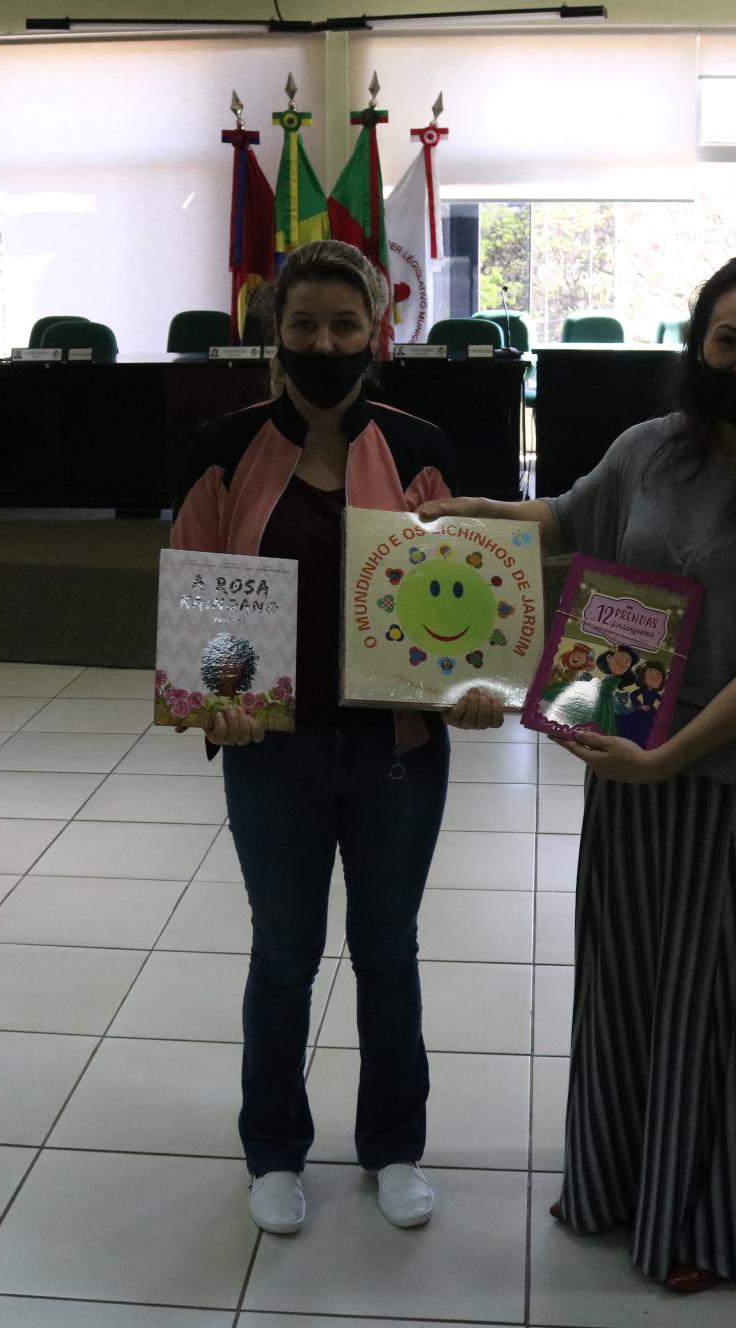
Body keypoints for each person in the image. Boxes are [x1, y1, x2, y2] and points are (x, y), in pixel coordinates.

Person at [419, 253, 736, 1291]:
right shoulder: (649, 447)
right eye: (728, 341)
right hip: (626, 742)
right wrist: (468, 511)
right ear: (698, 343)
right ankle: (615, 1182)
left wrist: (668, 761)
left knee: (725, 1005)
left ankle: (712, 1225)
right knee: (624, 984)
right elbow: (569, 516)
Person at [171, 238, 504, 1236]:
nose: (324, 343)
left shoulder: (419, 445)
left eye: (344, 325)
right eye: (305, 324)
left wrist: (476, 685)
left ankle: (394, 1146)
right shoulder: (224, 447)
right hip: (272, 750)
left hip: (398, 750)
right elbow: (201, 592)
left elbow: (468, 595)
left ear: (377, 332)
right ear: (275, 330)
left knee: (387, 950)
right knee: (283, 953)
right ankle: (274, 1150)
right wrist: (215, 698)